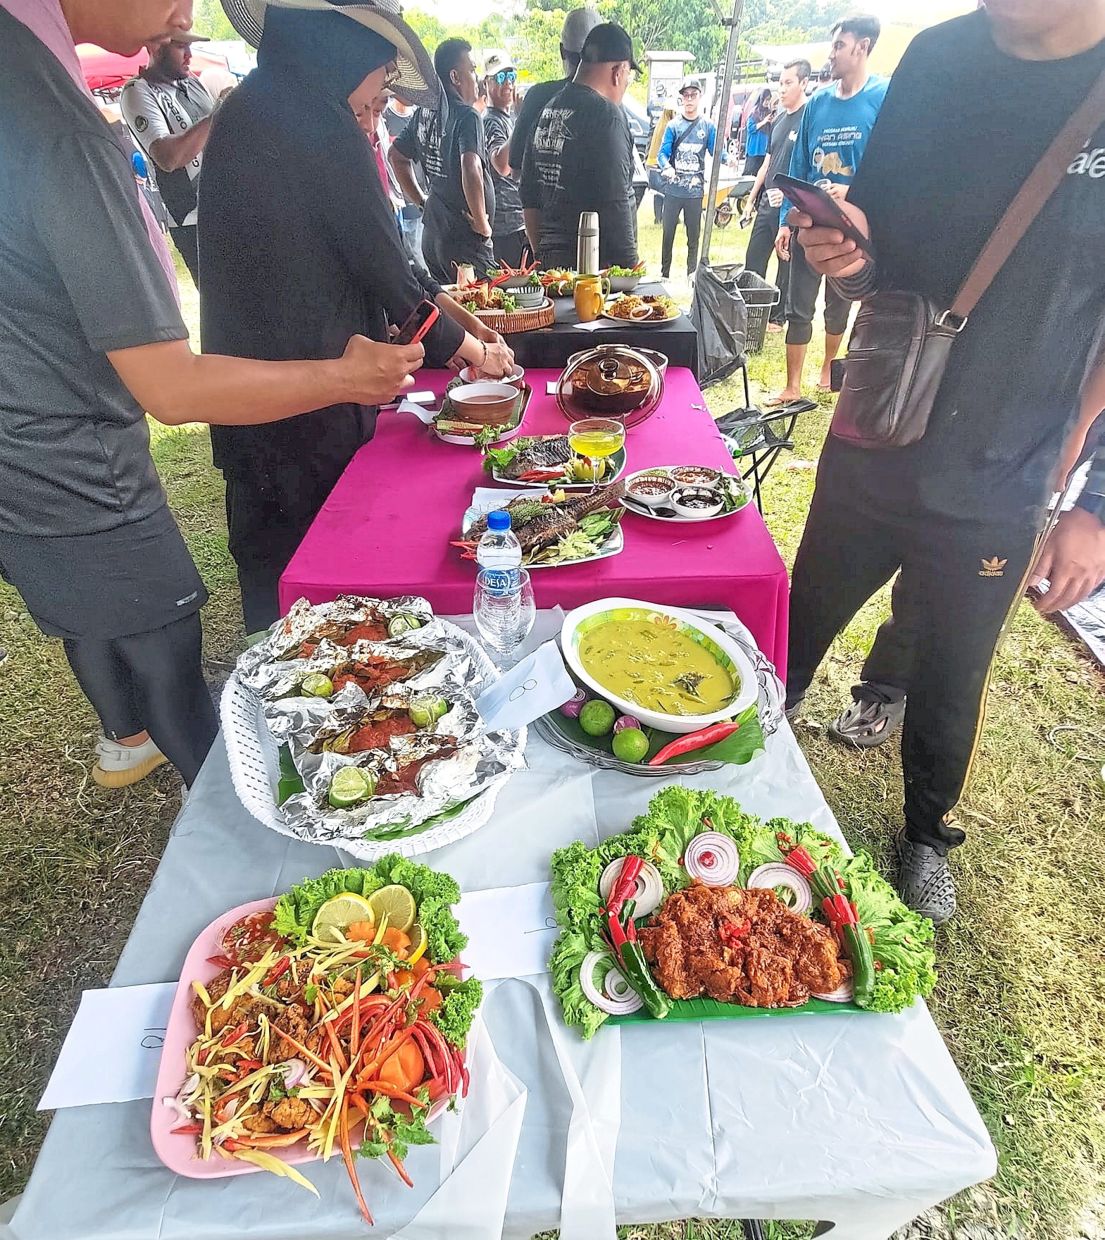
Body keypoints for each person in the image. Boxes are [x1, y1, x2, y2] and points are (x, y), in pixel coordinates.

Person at [0, 0, 425, 791]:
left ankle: (168, 738)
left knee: (139, 618)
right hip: (74, 455)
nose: (184, 14)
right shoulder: (56, 122)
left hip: (52, 458)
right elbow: (169, 385)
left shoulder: (235, 109)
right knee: (168, 651)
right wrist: (346, 376)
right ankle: (264, 823)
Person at [784, 0, 1105, 924]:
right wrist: (835, 247)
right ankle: (749, 742)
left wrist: (1095, 495)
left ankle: (924, 832)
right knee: (797, 622)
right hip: (880, 432)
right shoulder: (934, 58)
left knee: (955, 670)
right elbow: (875, 248)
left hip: (1010, 463)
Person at [201, 7, 513, 633]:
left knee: (271, 577)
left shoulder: (255, 107)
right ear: (339, 52)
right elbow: (390, 274)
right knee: (314, 586)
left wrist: (471, 334)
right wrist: (478, 356)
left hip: (256, 405)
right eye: (379, 76)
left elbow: (387, 265)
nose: (381, 92)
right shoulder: (318, 123)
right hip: (304, 406)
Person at [772, 15, 887, 404]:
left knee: (838, 306)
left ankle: (828, 369)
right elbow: (799, 166)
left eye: (839, 45)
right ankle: (792, 384)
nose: (832, 53)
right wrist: (786, 219)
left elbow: (893, 169)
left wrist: (853, 190)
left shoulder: (884, 96)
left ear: (863, 47)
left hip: (850, 231)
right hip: (811, 222)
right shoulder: (818, 103)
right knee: (798, 304)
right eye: (832, 44)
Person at [521, 22, 640, 270]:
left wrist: (543, 259)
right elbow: (616, 200)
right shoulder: (607, 115)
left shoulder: (549, 109)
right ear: (618, 71)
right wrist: (629, 272)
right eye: (629, 75)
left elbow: (528, 196)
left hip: (552, 268)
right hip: (597, 273)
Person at [120, 30, 215, 287]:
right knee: (223, 304)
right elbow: (168, 157)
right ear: (154, 46)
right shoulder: (138, 91)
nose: (190, 55)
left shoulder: (193, 82)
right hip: (192, 218)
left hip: (225, 205)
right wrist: (216, 115)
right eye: (181, 47)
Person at [413, 38, 496, 285]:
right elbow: (471, 167)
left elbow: (397, 157)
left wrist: (421, 201)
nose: (477, 77)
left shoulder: (423, 113)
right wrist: (482, 224)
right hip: (465, 242)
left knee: (455, 312)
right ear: (455, 77)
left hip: (433, 238)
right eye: (471, 69)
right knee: (484, 310)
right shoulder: (467, 115)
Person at [742, 59, 810, 330]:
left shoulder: (808, 117)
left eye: (788, 83)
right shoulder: (779, 118)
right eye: (780, 83)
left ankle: (777, 317)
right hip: (768, 200)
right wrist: (751, 199)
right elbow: (767, 161)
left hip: (792, 204)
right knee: (754, 256)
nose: (781, 89)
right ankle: (748, 308)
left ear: (803, 83)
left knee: (785, 260)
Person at [508, 7, 602, 177]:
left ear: (561, 50)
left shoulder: (537, 97)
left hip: (539, 203)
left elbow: (515, 171)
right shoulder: (610, 105)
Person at [656, 78, 718, 279]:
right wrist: (666, 167)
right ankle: (665, 273)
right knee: (668, 234)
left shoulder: (707, 126)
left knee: (694, 235)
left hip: (695, 191)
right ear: (681, 98)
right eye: (686, 95)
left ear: (700, 97)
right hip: (673, 190)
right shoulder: (673, 126)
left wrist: (728, 159)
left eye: (693, 95)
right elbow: (662, 154)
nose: (689, 99)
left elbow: (716, 151)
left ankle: (692, 274)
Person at [482, 54, 528, 268]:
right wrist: (522, 120)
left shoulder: (506, 120)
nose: (508, 82)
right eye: (500, 77)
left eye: (511, 76)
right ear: (486, 83)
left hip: (517, 224)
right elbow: (501, 164)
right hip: (504, 228)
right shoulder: (491, 121)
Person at [384, 93, 429, 270]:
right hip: (399, 202)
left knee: (420, 256)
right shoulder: (385, 117)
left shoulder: (418, 117)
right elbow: (391, 157)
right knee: (412, 258)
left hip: (421, 201)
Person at [743, 87, 774, 175]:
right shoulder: (754, 112)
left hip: (764, 150)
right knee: (749, 174)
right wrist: (763, 122)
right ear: (762, 99)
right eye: (766, 100)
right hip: (754, 149)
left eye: (769, 100)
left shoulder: (769, 112)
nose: (767, 102)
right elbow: (750, 128)